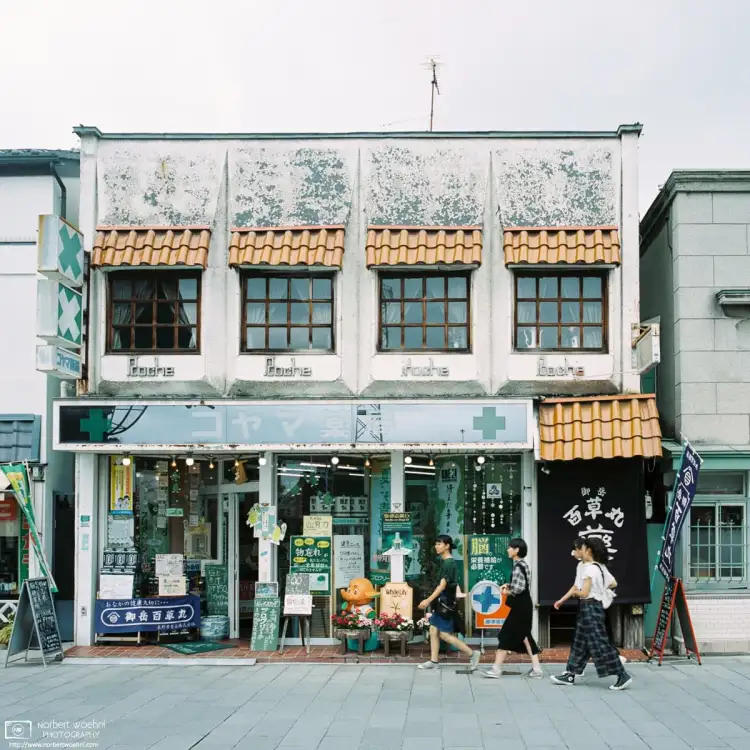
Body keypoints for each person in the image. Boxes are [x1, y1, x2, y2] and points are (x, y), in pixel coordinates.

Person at [551, 537, 632, 690]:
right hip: (594, 607)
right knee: (580, 643)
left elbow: (584, 592)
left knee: (599, 643)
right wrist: (600, 589)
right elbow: (613, 583)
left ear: (588, 550)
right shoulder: (599, 567)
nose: (577, 551)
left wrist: (577, 594)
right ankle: (570, 674)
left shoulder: (589, 569)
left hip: (589, 607)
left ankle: (622, 675)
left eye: (581, 548)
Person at [417, 535, 481, 671]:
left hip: (445, 603)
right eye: (436, 543)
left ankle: (472, 653)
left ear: (447, 546)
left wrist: (428, 600)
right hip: (444, 602)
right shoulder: (447, 562)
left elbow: (442, 586)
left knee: (444, 634)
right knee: (433, 629)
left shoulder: (449, 563)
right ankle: (434, 661)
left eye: (439, 544)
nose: (436, 546)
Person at [483, 537, 543, 679]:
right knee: (525, 637)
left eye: (510, 547)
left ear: (517, 550)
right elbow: (520, 585)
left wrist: (506, 591)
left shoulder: (518, 566)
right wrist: (508, 586)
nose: (508, 549)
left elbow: (517, 589)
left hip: (520, 608)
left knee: (506, 635)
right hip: (523, 606)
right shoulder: (523, 565)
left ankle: (496, 669)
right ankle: (537, 669)